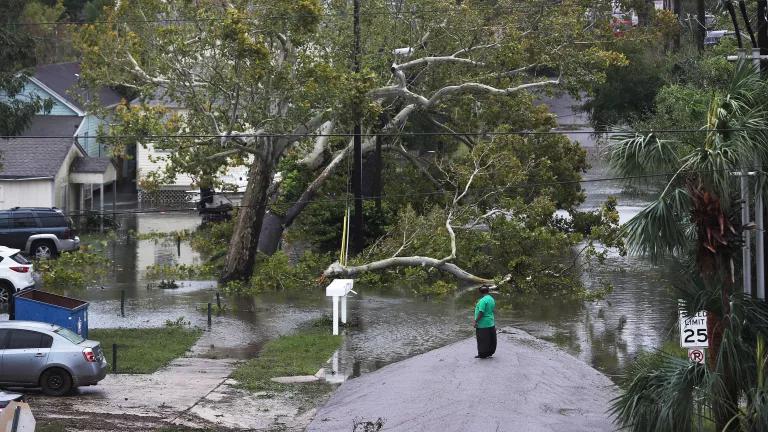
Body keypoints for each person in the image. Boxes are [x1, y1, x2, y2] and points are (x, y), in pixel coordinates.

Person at [474, 285, 496, 358]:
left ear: (480, 292)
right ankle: (490, 353)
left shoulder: (483, 300)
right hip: (490, 322)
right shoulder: (491, 299)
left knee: (482, 339)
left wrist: (476, 321)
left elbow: (481, 312)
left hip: (483, 323)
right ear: (488, 291)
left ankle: (482, 354)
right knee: (490, 339)